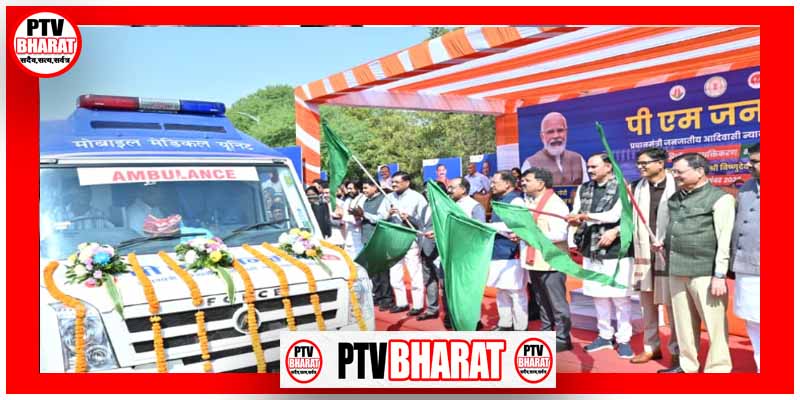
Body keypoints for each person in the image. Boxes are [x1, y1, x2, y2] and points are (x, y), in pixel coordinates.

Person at [660, 153, 735, 373]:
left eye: (679, 172)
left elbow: (724, 240)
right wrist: (663, 242)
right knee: (682, 323)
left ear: (700, 171)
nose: (675, 176)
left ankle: (718, 368)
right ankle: (687, 365)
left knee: (714, 325)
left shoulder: (720, 198)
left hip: (705, 272)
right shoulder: (675, 198)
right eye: (673, 171)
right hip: (676, 269)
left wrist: (719, 275)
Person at [567, 153, 634, 359]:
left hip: (616, 249)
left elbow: (616, 216)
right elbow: (576, 211)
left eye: (594, 167)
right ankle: (605, 335)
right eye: (588, 167)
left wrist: (586, 216)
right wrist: (574, 221)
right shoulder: (583, 188)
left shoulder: (623, 187)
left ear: (608, 167)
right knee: (598, 295)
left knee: (620, 297)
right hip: (591, 247)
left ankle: (624, 339)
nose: (590, 171)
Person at [629, 147, 680, 366]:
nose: (640, 167)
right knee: (647, 305)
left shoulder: (678, 185)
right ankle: (651, 347)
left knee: (674, 305)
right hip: (643, 252)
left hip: (670, 253)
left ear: (660, 163)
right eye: (638, 163)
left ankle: (678, 350)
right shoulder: (634, 188)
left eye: (645, 163)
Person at [519, 167, 573, 352]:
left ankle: (563, 338)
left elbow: (559, 234)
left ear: (541, 184)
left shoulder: (555, 204)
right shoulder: (531, 202)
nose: (523, 183)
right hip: (535, 260)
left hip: (552, 262)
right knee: (541, 300)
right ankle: (546, 332)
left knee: (557, 302)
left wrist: (531, 235)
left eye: (527, 180)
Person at [378, 171, 428, 316]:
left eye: (397, 182)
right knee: (395, 275)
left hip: (410, 239)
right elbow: (379, 218)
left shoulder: (417, 197)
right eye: (392, 182)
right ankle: (401, 303)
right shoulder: (388, 197)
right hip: (393, 239)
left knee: (414, 273)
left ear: (407, 183)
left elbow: (425, 220)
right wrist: (388, 214)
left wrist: (410, 218)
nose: (393, 184)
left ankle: (418, 305)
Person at [486, 170, 528, 331]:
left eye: (495, 182)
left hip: (511, 252)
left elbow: (516, 225)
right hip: (497, 250)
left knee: (515, 291)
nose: (492, 185)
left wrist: (489, 226)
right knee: (501, 289)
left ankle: (520, 327)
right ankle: (505, 323)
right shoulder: (498, 200)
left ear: (508, 184)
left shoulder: (516, 201)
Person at [731, 143, 760, 372]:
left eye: (756, 161)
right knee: (753, 318)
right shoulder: (747, 188)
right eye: (751, 161)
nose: (750, 165)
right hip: (747, 266)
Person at [354, 179, 394, 311]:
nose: (364, 191)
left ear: (375, 188)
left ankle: (387, 299)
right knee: (373, 271)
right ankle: (377, 295)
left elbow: (382, 218)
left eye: (366, 188)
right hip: (367, 238)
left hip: (378, 238)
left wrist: (364, 214)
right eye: (363, 188)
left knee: (382, 271)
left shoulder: (384, 199)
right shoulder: (365, 201)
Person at [521, 111, 589, 185]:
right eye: (550, 132)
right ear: (542, 136)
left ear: (566, 132)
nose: (556, 136)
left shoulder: (578, 159)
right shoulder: (530, 163)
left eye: (560, 130)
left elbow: (586, 189)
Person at [416, 180, 446, 322]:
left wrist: (437, 234)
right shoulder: (424, 208)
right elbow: (421, 226)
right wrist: (408, 218)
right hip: (425, 249)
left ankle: (449, 313)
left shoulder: (445, 208)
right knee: (429, 281)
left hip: (439, 250)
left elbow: (447, 228)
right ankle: (432, 309)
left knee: (444, 284)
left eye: (429, 190)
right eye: (425, 191)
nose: (426, 193)